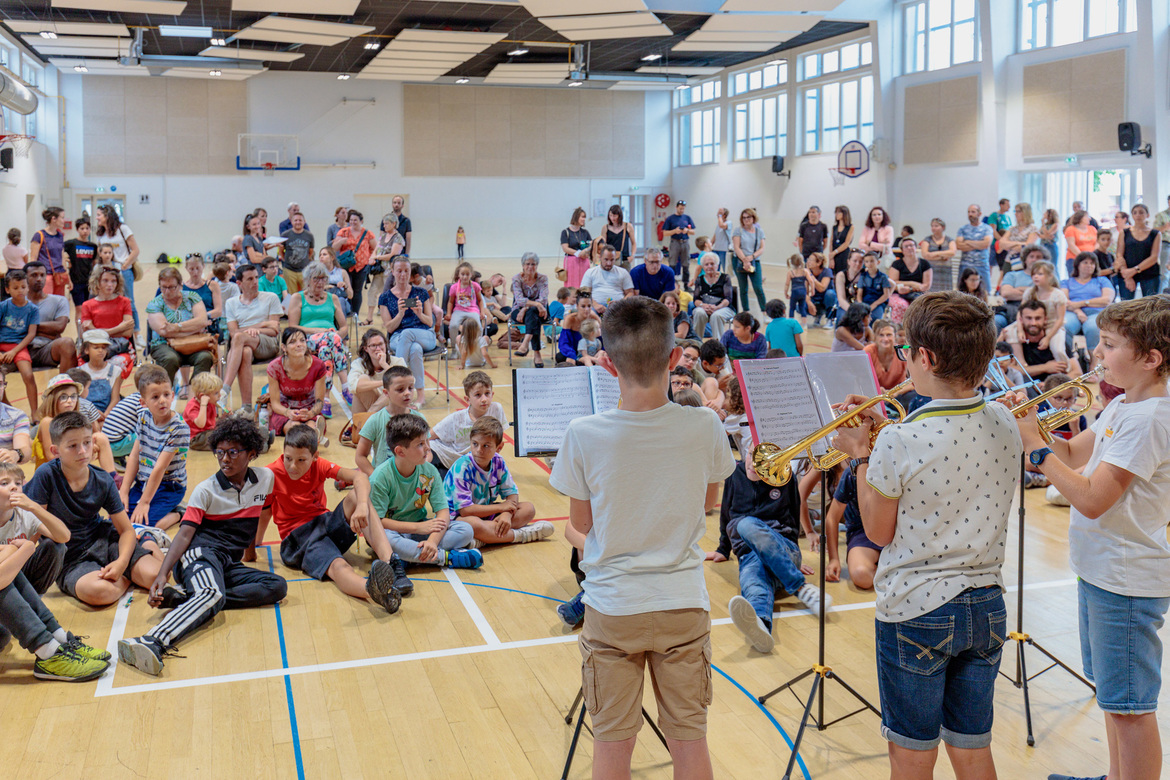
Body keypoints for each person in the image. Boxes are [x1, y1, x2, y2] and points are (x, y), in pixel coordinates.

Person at [833, 289, 1019, 778]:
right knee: (972, 747)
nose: (904, 362)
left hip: (917, 609)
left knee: (912, 755)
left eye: (906, 352)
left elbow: (877, 531)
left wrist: (860, 454)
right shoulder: (1004, 420)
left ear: (926, 358)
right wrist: (883, 435)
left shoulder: (899, 439)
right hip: (987, 602)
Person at [549, 296, 735, 777]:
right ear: (674, 358)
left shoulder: (582, 432)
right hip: (682, 602)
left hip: (613, 607)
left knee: (612, 746)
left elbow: (581, 527)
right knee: (689, 742)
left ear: (608, 364)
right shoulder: (704, 423)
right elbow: (708, 501)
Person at [1014, 296, 1170, 780]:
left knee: (1130, 708)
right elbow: (1069, 454)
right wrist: (1027, 427)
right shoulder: (1123, 404)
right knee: (1113, 696)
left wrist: (1036, 448)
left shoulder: (1150, 419)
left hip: (1126, 579)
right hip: (1101, 570)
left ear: (1151, 358)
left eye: (1110, 344)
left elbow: (1091, 499)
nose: (1097, 354)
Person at [116, 417, 289, 676]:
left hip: (227, 562)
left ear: (252, 453)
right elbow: (184, 535)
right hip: (198, 555)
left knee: (276, 586)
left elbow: (258, 514)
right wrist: (163, 573)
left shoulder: (265, 478)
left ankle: (190, 599)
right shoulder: (206, 490)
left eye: (232, 452)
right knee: (212, 593)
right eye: (220, 452)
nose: (224, 459)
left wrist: (250, 552)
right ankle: (151, 640)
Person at [264, 424, 405, 612]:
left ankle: (391, 563)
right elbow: (264, 510)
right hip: (300, 539)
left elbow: (360, 477)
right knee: (339, 566)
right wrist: (253, 547)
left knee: (357, 496)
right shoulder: (271, 473)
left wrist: (362, 505)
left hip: (324, 523)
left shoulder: (319, 465)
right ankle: (373, 590)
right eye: (288, 458)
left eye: (301, 460)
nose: (292, 466)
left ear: (315, 457)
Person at [25, 411, 161, 606]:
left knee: (155, 575)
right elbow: (34, 526)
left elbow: (125, 530)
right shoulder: (46, 475)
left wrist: (121, 563)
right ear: (55, 451)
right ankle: (131, 572)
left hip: (104, 540)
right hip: (70, 558)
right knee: (100, 592)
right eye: (72, 446)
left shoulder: (103, 479)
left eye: (87, 443)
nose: (82, 451)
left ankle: (146, 541)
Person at [0, 462, 112, 681]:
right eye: (4, 483)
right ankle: (47, 651)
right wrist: (25, 549)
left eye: (18, 483)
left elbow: (64, 536)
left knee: (51, 548)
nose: (13, 487)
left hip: (13, 586)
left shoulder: (22, 513)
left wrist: (35, 507)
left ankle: (57, 640)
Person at [725, 449, 826, 654]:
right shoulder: (733, 475)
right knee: (753, 580)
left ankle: (799, 586)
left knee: (746, 525)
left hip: (783, 548)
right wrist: (721, 549)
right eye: (750, 455)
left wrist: (790, 558)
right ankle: (762, 625)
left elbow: (793, 520)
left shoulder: (785, 478)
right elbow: (725, 516)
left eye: (760, 459)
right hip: (749, 555)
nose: (753, 463)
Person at [370, 414, 482, 569]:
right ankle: (446, 558)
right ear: (400, 451)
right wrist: (418, 528)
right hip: (393, 531)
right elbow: (378, 521)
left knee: (466, 530)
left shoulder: (429, 471)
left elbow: (443, 512)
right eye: (420, 444)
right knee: (386, 539)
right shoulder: (380, 477)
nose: (428, 448)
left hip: (420, 529)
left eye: (427, 441)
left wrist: (432, 541)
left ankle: (407, 557)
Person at [443, 415, 550, 546]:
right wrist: (501, 507)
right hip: (457, 517)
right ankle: (520, 535)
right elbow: (466, 510)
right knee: (473, 524)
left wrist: (506, 514)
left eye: (486, 446)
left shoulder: (498, 462)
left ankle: (485, 537)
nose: (479, 450)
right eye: (475, 444)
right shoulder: (462, 468)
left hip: (485, 513)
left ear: (499, 447)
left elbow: (512, 494)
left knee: (528, 509)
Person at [119, 364, 188, 531]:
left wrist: (144, 502)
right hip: (144, 482)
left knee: (145, 526)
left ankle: (180, 513)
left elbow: (160, 468)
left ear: (172, 395)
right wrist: (124, 491)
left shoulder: (179, 428)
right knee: (119, 520)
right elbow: (135, 455)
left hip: (169, 486)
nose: (162, 400)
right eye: (155, 397)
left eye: (166, 395)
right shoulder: (144, 417)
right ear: (143, 402)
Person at [222, 264, 282, 415]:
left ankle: (225, 389)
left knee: (240, 337)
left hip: (267, 343)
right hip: (243, 345)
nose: (255, 282)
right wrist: (261, 324)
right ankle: (247, 407)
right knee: (245, 351)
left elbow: (274, 330)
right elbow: (233, 332)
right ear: (239, 283)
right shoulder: (231, 303)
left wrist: (258, 330)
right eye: (250, 279)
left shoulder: (271, 298)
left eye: (256, 277)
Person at [288, 261, 349, 398]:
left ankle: (325, 397)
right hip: (306, 339)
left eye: (323, 278)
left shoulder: (333, 298)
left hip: (330, 340)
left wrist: (337, 335)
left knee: (325, 350)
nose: (320, 282)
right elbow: (292, 327)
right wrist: (317, 331)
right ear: (307, 280)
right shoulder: (298, 298)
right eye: (316, 278)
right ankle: (345, 385)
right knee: (330, 339)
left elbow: (344, 327)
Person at [145, 266, 213, 387]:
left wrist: (177, 327)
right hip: (163, 344)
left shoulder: (192, 297)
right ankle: (165, 393)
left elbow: (202, 320)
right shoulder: (155, 304)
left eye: (172, 287)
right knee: (171, 359)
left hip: (192, 343)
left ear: (180, 285)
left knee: (205, 357)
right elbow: (165, 332)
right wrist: (194, 329)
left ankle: (195, 394)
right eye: (163, 287)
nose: (167, 291)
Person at [380, 256, 438, 398]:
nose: (403, 274)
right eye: (399, 271)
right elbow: (389, 328)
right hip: (397, 338)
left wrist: (419, 313)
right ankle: (420, 395)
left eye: (406, 271)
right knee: (415, 349)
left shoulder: (421, 293)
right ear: (393, 272)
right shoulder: (385, 297)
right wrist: (400, 314)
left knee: (407, 333)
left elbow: (429, 322)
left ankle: (396, 381)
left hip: (425, 335)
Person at [429, 370, 510, 472]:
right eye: (478, 395)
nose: (484, 399)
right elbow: (428, 436)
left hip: (468, 462)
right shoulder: (457, 418)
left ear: (492, 394)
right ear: (467, 399)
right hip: (444, 456)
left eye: (487, 393)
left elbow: (497, 440)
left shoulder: (496, 409)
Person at [354, 365, 422, 475]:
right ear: (386, 393)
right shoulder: (375, 420)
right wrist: (376, 477)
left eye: (410, 388)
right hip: (384, 479)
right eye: (400, 389)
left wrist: (422, 467)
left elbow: (427, 452)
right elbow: (360, 456)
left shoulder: (419, 419)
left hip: (410, 479)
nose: (407, 393)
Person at [267, 327, 328, 445]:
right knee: (294, 427)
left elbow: (320, 402)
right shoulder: (274, 367)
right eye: (292, 342)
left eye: (302, 340)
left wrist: (311, 413)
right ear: (284, 347)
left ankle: (312, 434)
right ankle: (313, 437)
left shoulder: (318, 365)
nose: (299, 344)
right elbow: (275, 404)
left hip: (308, 409)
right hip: (285, 410)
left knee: (311, 425)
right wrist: (288, 413)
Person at [93, 205, 141, 339]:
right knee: (110, 301)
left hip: (123, 271)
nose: (96, 218)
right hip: (107, 271)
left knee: (129, 301)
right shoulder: (100, 234)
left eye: (99, 215)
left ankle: (137, 333)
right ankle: (117, 330)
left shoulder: (123, 229)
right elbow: (99, 252)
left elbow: (135, 250)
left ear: (107, 215)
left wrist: (125, 265)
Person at [23, 261, 77, 376]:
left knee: (67, 343)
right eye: (34, 275)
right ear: (25, 278)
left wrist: (28, 326)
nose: (39, 279)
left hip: (46, 348)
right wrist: (47, 331)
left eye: (42, 275)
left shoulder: (59, 300)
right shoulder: (14, 303)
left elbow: (60, 326)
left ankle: (66, 385)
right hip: (21, 348)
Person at [0, 269, 40, 417]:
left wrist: (14, 351)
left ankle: (34, 412)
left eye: (23, 287)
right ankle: (7, 409)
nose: (20, 291)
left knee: (28, 375)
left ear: (28, 287)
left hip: (18, 346)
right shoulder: (3, 306)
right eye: (15, 288)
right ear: (7, 290)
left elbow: (31, 334)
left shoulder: (33, 309)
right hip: (1, 344)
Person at [1063, 252, 1115, 359]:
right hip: (1073, 312)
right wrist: (1078, 311)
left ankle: (1094, 362)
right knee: (1065, 325)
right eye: (1085, 262)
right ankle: (1069, 359)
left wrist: (1082, 303)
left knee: (1093, 328)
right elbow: (1064, 301)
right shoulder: (1066, 282)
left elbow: (1107, 300)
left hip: (1096, 312)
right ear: (1077, 265)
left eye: (1092, 263)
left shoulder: (1102, 280)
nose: (1089, 266)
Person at [1003, 299, 1068, 382]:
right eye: (1029, 318)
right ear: (1020, 320)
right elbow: (1004, 369)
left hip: (1052, 386)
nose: (1033, 323)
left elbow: (1076, 372)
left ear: (1045, 319)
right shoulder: (1012, 338)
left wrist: (1049, 385)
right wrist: (1045, 367)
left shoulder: (1056, 339)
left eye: (1038, 318)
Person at [80, 266, 134, 363]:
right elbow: (88, 334)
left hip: (119, 346)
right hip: (96, 347)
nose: (110, 285)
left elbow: (128, 332)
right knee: (85, 364)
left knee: (116, 363)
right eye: (105, 280)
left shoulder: (124, 302)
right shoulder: (87, 305)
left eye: (113, 281)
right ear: (97, 282)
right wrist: (119, 328)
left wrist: (97, 331)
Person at [331, 209, 377, 317]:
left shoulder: (368, 233)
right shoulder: (343, 232)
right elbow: (334, 248)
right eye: (351, 220)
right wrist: (341, 241)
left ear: (361, 221)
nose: (352, 222)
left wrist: (371, 257)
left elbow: (376, 248)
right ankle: (347, 312)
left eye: (355, 220)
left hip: (361, 266)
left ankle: (355, 314)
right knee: (347, 289)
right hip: (346, 266)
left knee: (357, 291)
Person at [507, 252, 549, 368]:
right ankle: (537, 353)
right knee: (533, 316)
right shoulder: (516, 279)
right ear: (523, 265)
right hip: (519, 311)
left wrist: (527, 308)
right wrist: (533, 305)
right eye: (527, 264)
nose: (530, 267)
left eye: (533, 264)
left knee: (533, 313)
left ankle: (525, 343)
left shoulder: (543, 278)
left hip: (540, 311)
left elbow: (543, 300)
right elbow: (519, 300)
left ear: (537, 265)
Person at [1021, 260, 1069, 362]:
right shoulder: (1029, 292)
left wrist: (1048, 337)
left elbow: (1060, 319)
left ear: (1050, 276)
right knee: (1009, 332)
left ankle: (1065, 368)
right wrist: (1020, 330)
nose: (1036, 277)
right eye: (1034, 274)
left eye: (1040, 274)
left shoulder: (1058, 295)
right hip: (1032, 323)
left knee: (1058, 350)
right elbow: (1020, 312)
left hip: (1052, 326)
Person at [1116, 202, 1162, 300]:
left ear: (1147, 215)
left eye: (1141, 212)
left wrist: (1135, 270)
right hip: (1127, 272)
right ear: (1132, 215)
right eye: (1135, 213)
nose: (1138, 215)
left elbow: (1154, 257)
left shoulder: (1155, 234)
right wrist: (1127, 275)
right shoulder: (1124, 232)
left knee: (1150, 304)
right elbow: (1119, 254)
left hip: (1149, 273)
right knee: (1126, 305)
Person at [369, 213, 406, 326]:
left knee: (388, 294)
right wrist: (372, 257)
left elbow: (393, 255)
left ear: (394, 224)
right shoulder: (383, 236)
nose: (384, 226)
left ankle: (389, 320)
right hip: (379, 270)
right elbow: (376, 249)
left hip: (390, 271)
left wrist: (377, 257)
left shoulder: (398, 238)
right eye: (384, 223)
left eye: (386, 223)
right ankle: (369, 318)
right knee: (372, 291)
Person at [731, 207, 767, 314]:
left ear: (753, 218)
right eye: (744, 218)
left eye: (748, 217)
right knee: (743, 288)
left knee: (758, 287)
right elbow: (737, 247)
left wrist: (752, 257)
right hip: (739, 260)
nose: (746, 220)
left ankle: (765, 311)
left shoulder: (759, 231)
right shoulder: (738, 230)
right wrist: (745, 260)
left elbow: (762, 248)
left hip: (754, 261)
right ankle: (746, 311)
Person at [76, 329, 122, 412]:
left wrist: (105, 416)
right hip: (86, 413)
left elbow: (115, 399)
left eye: (103, 348)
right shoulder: (80, 371)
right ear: (86, 350)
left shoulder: (116, 371)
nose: (100, 350)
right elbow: (79, 400)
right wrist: (93, 415)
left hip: (108, 413)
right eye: (96, 347)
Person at [27, 207, 69, 297]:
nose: (64, 220)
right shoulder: (39, 235)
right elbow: (33, 259)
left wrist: (67, 276)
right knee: (46, 302)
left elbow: (62, 257)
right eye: (62, 217)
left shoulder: (60, 235)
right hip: (46, 275)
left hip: (59, 275)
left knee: (58, 302)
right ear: (54, 219)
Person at [580, 245, 634, 310]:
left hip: (618, 307)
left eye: (612, 260)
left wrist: (619, 303)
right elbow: (584, 292)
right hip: (595, 307)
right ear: (600, 257)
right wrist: (595, 305)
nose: (609, 263)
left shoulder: (623, 272)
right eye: (606, 259)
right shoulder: (590, 272)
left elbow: (630, 293)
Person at [955, 203, 994, 293]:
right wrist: (978, 244)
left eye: (973, 212)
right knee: (962, 292)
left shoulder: (987, 228)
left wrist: (967, 241)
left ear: (979, 214)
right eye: (968, 212)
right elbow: (959, 245)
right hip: (965, 264)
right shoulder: (962, 229)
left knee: (985, 291)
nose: (970, 214)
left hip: (982, 264)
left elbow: (986, 244)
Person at [182, 371, 224, 451]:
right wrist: (203, 404)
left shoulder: (211, 403)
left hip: (208, 433)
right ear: (202, 396)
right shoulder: (192, 406)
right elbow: (201, 424)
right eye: (216, 393)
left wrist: (224, 416)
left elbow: (212, 424)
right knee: (217, 436)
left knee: (225, 430)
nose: (219, 395)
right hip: (195, 438)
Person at [63, 216, 97, 314]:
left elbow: (94, 263)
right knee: (79, 309)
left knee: (88, 308)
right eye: (82, 228)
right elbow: (59, 249)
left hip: (89, 282)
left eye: (87, 228)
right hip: (76, 281)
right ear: (77, 229)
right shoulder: (71, 243)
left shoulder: (93, 246)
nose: (85, 231)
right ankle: (79, 325)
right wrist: (65, 259)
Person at [888, 237, 934, 310]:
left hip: (918, 294)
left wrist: (910, 289)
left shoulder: (925, 264)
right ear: (902, 250)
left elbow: (926, 285)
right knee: (901, 305)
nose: (909, 248)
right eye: (906, 246)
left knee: (919, 305)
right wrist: (913, 283)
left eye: (911, 245)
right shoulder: (896, 264)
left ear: (916, 247)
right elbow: (893, 282)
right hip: (898, 293)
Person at [864, 319, 907, 393]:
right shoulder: (868, 352)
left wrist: (895, 393)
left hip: (897, 394)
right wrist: (876, 389)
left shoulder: (901, 351)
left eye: (889, 335)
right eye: (881, 335)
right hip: (873, 394)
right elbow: (861, 380)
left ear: (895, 336)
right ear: (875, 337)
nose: (885, 339)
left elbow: (912, 381)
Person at [279, 211, 314, 295]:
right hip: (289, 270)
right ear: (292, 222)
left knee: (307, 293)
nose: (298, 222)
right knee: (291, 295)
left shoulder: (309, 236)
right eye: (296, 220)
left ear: (304, 221)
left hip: (304, 270)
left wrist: (304, 260)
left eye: (300, 220)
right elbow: (281, 251)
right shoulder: (285, 235)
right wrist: (286, 260)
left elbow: (310, 252)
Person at [664, 200, 697, 285]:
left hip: (685, 242)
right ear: (676, 207)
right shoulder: (670, 218)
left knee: (686, 263)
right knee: (672, 263)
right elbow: (665, 233)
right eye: (680, 208)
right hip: (675, 242)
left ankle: (686, 284)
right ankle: (671, 283)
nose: (682, 210)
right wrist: (675, 231)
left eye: (683, 209)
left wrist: (687, 230)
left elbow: (693, 231)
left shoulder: (687, 218)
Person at [560, 207, 593, 289]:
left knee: (584, 284)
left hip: (584, 261)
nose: (584, 219)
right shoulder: (565, 232)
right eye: (582, 217)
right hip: (571, 262)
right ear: (576, 217)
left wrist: (585, 251)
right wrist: (578, 253)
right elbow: (565, 248)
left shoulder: (585, 232)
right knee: (572, 285)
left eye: (585, 217)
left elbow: (591, 245)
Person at [856, 251, 892, 322]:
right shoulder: (863, 276)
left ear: (878, 262)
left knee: (875, 318)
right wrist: (861, 304)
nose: (869, 264)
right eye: (867, 261)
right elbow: (859, 294)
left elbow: (886, 295)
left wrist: (875, 304)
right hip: (865, 302)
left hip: (878, 303)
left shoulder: (883, 277)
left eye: (872, 261)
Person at [1064, 209, 1099, 278]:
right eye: (1087, 217)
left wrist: (1091, 255)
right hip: (1074, 258)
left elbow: (1097, 243)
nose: (1089, 219)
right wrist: (1083, 257)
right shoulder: (1071, 229)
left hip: (1091, 258)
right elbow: (1071, 245)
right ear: (1081, 218)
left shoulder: (1092, 229)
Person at [604, 205, 637, 269]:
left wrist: (632, 255)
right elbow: (603, 245)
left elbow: (634, 243)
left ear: (619, 216)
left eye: (614, 216)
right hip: (610, 260)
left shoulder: (628, 226)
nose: (612, 218)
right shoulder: (605, 228)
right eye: (610, 215)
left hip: (624, 260)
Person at [784, 254, 811, 326]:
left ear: (791, 262)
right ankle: (804, 324)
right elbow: (811, 281)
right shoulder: (805, 271)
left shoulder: (791, 272)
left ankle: (791, 323)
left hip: (794, 292)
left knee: (792, 308)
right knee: (802, 307)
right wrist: (813, 290)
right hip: (803, 291)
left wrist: (785, 293)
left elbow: (787, 284)